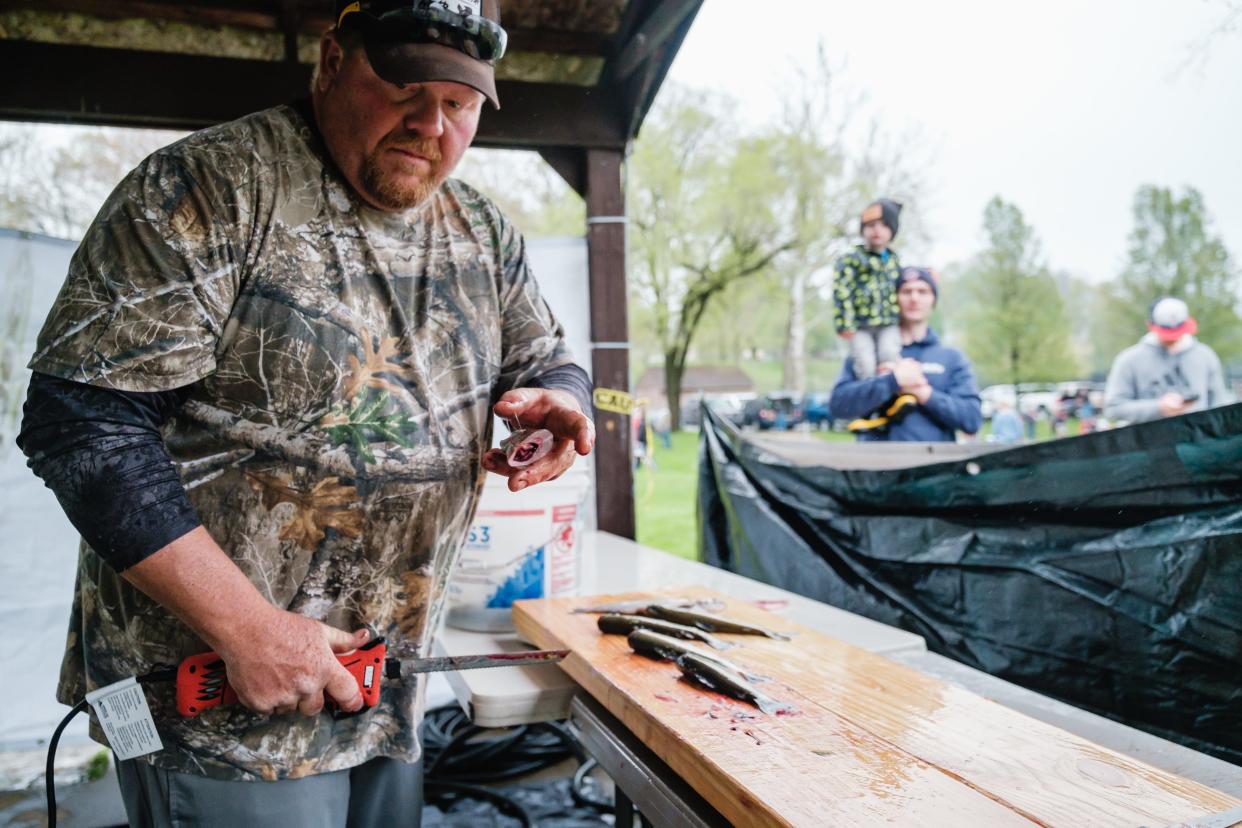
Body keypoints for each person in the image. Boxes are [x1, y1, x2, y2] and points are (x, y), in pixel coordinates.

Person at [16, 2, 594, 825]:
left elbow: (542, 355)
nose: (431, 122)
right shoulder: (208, 189)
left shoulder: (482, 230)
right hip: (219, 714)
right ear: (332, 61)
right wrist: (247, 627)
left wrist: (559, 400)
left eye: (460, 103)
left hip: (385, 695)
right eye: (404, 85)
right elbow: (80, 422)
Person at [829, 267, 982, 442]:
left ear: (933, 299)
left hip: (933, 466)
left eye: (922, 291)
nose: (914, 298)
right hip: (874, 464)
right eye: (906, 291)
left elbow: (972, 420)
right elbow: (838, 406)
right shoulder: (868, 352)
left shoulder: (952, 358)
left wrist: (921, 391)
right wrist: (892, 381)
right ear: (893, 299)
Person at [1103, 296, 1228, 424]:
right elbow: (1113, 408)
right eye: (1167, 334)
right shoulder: (1129, 360)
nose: (1172, 339)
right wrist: (1158, 408)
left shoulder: (1205, 356)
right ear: (1150, 325)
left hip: (1196, 441)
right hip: (1149, 441)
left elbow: (1220, 405)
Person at [833, 199, 904, 379]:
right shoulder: (852, 259)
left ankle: (889, 399)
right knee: (865, 363)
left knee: (889, 355)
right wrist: (844, 323)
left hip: (888, 322)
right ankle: (869, 398)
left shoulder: (895, 261)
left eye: (883, 225)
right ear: (863, 229)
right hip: (860, 324)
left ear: (892, 230)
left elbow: (903, 283)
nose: (877, 230)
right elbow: (842, 292)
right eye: (871, 225)